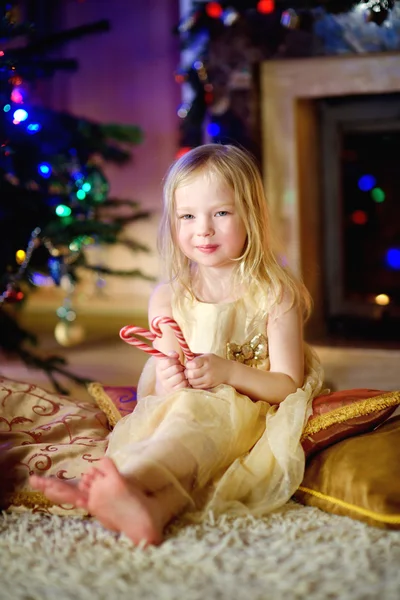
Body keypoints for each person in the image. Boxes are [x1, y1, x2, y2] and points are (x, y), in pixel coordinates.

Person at [30, 143, 324, 546]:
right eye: (188, 216)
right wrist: (170, 378)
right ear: (174, 222)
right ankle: (150, 510)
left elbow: (289, 384)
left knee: (192, 422)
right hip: (183, 409)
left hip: (251, 414)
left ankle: (117, 484)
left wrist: (229, 373)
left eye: (221, 212)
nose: (203, 229)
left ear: (251, 215)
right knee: (181, 434)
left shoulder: (275, 294)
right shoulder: (169, 298)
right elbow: (159, 386)